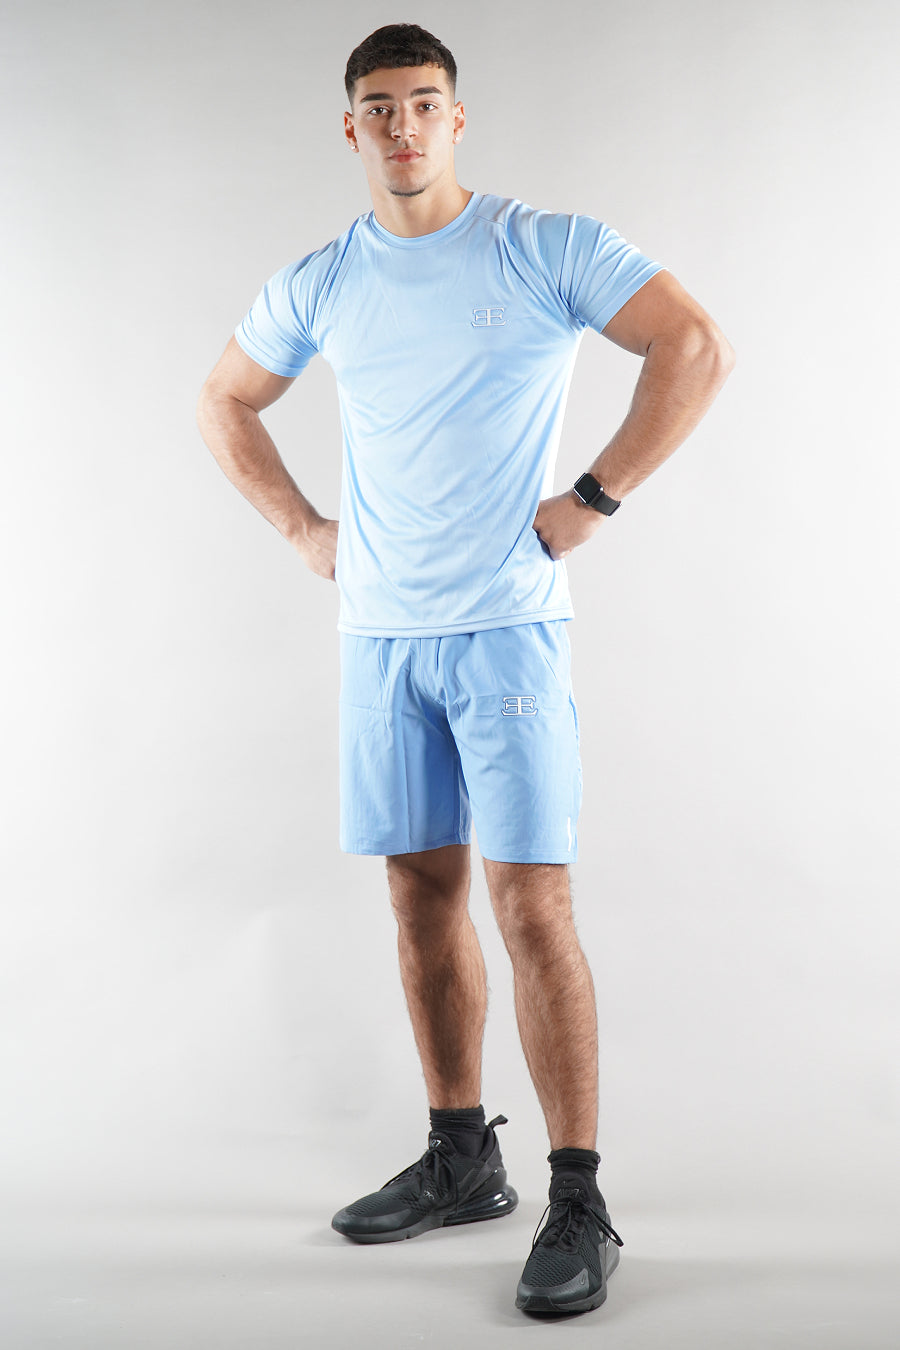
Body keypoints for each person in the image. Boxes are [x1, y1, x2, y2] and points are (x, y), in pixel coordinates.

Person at [196, 21, 734, 1318]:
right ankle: (460, 1156)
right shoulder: (324, 279)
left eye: (422, 103)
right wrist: (303, 529)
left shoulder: (540, 245)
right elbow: (223, 397)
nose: (400, 127)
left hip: (505, 629)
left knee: (533, 905)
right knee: (419, 896)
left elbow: (693, 345)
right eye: (377, 107)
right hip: (380, 636)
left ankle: (580, 1192)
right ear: (350, 127)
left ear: (457, 117)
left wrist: (596, 495)